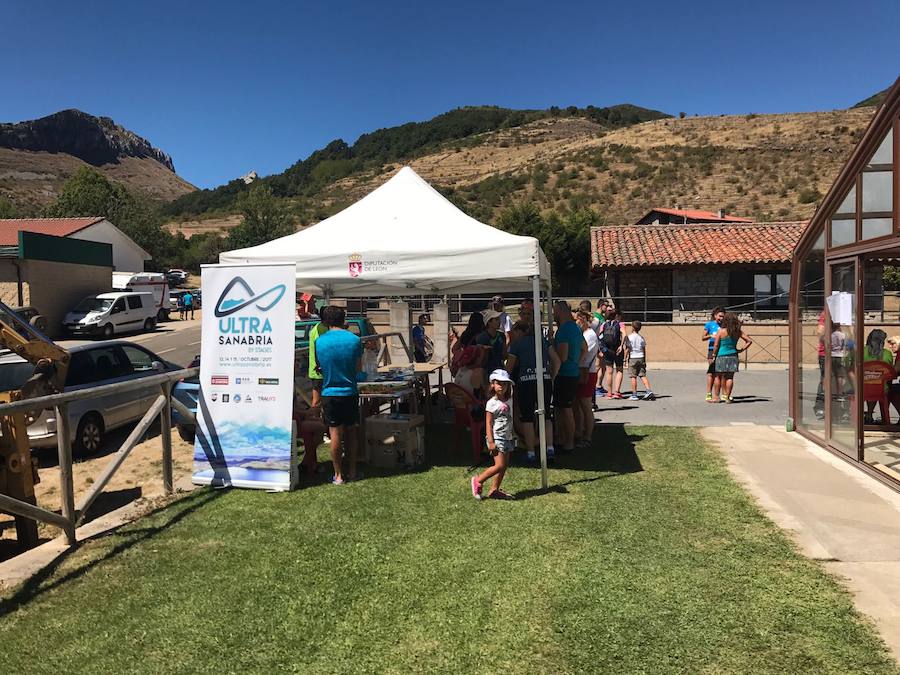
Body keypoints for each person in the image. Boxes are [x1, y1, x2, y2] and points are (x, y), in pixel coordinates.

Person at [315, 305, 364, 484]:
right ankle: (352, 471)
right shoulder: (354, 339)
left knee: (335, 433)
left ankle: (338, 475)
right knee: (352, 432)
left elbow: (320, 367)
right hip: (349, 391)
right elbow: (358, 368)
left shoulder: (320, 341)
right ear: (343, 319)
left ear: (326, 320)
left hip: (330, 391)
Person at [507, 319, 558, 463]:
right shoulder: (543, 342)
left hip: (526, 381)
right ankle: (549, 449)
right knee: (546, 414)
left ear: (521, 332)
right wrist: (550, 376)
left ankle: (530, 453)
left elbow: (509, 368)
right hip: (545, 380)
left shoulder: (516, 345)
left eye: (515, 331)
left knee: (527, 417)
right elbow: (557, 360)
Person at [471, 369, 515, 500]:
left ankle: (494, 490)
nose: (502, 386)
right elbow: (488, 424)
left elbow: (511, 417)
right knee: (499, 465)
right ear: (492, 385)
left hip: (508, 437)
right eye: (498, 383)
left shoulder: (509, 400)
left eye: (505, 383)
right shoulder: (491, 403)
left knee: (504, 466)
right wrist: (491, 442)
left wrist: (514, 433)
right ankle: (478, 480)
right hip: (497, 438)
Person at [552, 301, 584, 453]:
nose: (553, 315)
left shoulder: (564, 330)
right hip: (572, 373)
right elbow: (585, 347)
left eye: (554, 311)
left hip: (564, 374)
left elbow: (562, 357)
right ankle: (561, 438)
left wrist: (551, 349)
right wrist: (576, 361)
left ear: (559, 311)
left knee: (565, 409)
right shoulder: (575, 327)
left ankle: (569, 442)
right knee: (561, 407)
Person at [712, 312, 753, 403]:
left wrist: (714, 354)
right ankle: (727, 397)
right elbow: (749, 341)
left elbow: (716, 344)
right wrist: (741, 350)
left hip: (721, 355)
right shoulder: (737, 331)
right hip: (733, 355)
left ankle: (716, 397)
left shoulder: (721, 331)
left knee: (718, 377)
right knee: (730, 377)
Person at [574, 311, 600, 447]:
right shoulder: (585, 334)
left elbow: (582, 353)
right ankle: (580, 432)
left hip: (587, 373)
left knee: (586, 406)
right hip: (583, 372)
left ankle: (587, 437)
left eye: (576, 321)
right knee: (579, 405)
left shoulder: (589, 335)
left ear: (581, 320)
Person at [863, 329, 894, 424]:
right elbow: (890, 375)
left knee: (870, 385)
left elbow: (850, 368)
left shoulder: (861, 352)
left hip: (863, 387)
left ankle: (868, 414)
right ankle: (878, 416)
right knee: (880, 386)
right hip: (881, 388)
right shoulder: (887, 354)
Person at [599, 308, 626, 399]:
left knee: (609, 371)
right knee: (619, 370)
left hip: (607, 350)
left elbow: (600, 336)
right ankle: (617, 392)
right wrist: (621, 346)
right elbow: (624, 335)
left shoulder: (604, 324)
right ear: (617, 315)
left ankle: (609, 393)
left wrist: (601, 349)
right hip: (617, 349)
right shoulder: (620, 324)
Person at [626, 321, 654, 401]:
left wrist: (625, 358)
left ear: (632, 327)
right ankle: (649, 390)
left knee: (633, 376)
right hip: (641, 357)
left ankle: (634, 395)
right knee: (642, 375)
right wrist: (644, 359)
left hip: (633, 357)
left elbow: (628, 348)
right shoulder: (641, 338)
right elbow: (643, 349)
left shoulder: (629, 337)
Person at [308, 316, 331, 408]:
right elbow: (321, 347)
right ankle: (316, 419)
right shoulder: (321, 328)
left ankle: (317, 418)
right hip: (319, 370)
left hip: (318, 369)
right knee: (318, 400)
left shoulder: (319, 327)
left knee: (319, 399)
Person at [703, 308, 725, 402]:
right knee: (712, 373)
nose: (721, 318)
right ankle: (708, 393)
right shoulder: (709, 324)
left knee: (721, 374)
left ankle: (722, 394)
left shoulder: (725, 325)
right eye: (720, 316)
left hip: (722, 350)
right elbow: (703, 337)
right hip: (712, 350)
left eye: (723, 316)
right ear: (715, 315)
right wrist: (711, 336)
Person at [477, 310, 507, 374]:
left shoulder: (501, 335)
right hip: (486, 370)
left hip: (499, 369)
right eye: (496, 319)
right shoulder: (481, 337)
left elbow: (504, 354)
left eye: (499, 319)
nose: (499, 322)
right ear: (489, 322)